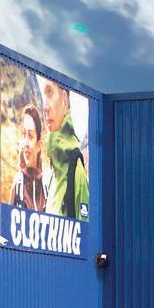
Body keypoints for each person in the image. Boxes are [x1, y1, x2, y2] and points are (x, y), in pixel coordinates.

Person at [41, 81, 89, 220]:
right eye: (44, 96)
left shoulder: (76, 169)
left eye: (50, 93)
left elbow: (85, 228)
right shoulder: (52, 174)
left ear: (65, 100)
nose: (45, 107)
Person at [9, 105, 46, 211]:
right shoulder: (18, 184)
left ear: (39, 145)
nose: (25, 143)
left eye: (30, 136)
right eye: (23, 134)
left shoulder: (46, 186)